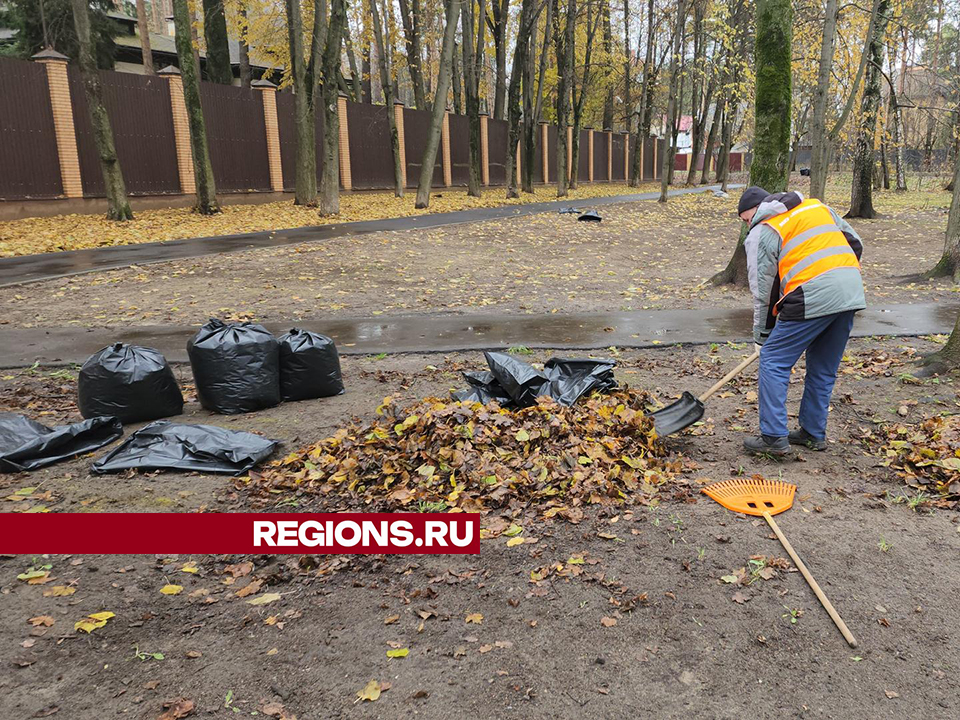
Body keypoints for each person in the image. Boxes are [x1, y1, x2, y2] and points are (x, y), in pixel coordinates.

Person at [737, 186, 865, 455]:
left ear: (757, 210)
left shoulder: (763, 230)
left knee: (773, 360)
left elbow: (762, 291)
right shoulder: (816, 207)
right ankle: (812, 433)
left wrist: (761, 338)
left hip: (811, 293)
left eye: (745, 218)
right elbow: (855, 242)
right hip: (850, 289)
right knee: (822, 367)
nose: (746, 224)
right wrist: (838, 277)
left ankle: (773, 437)